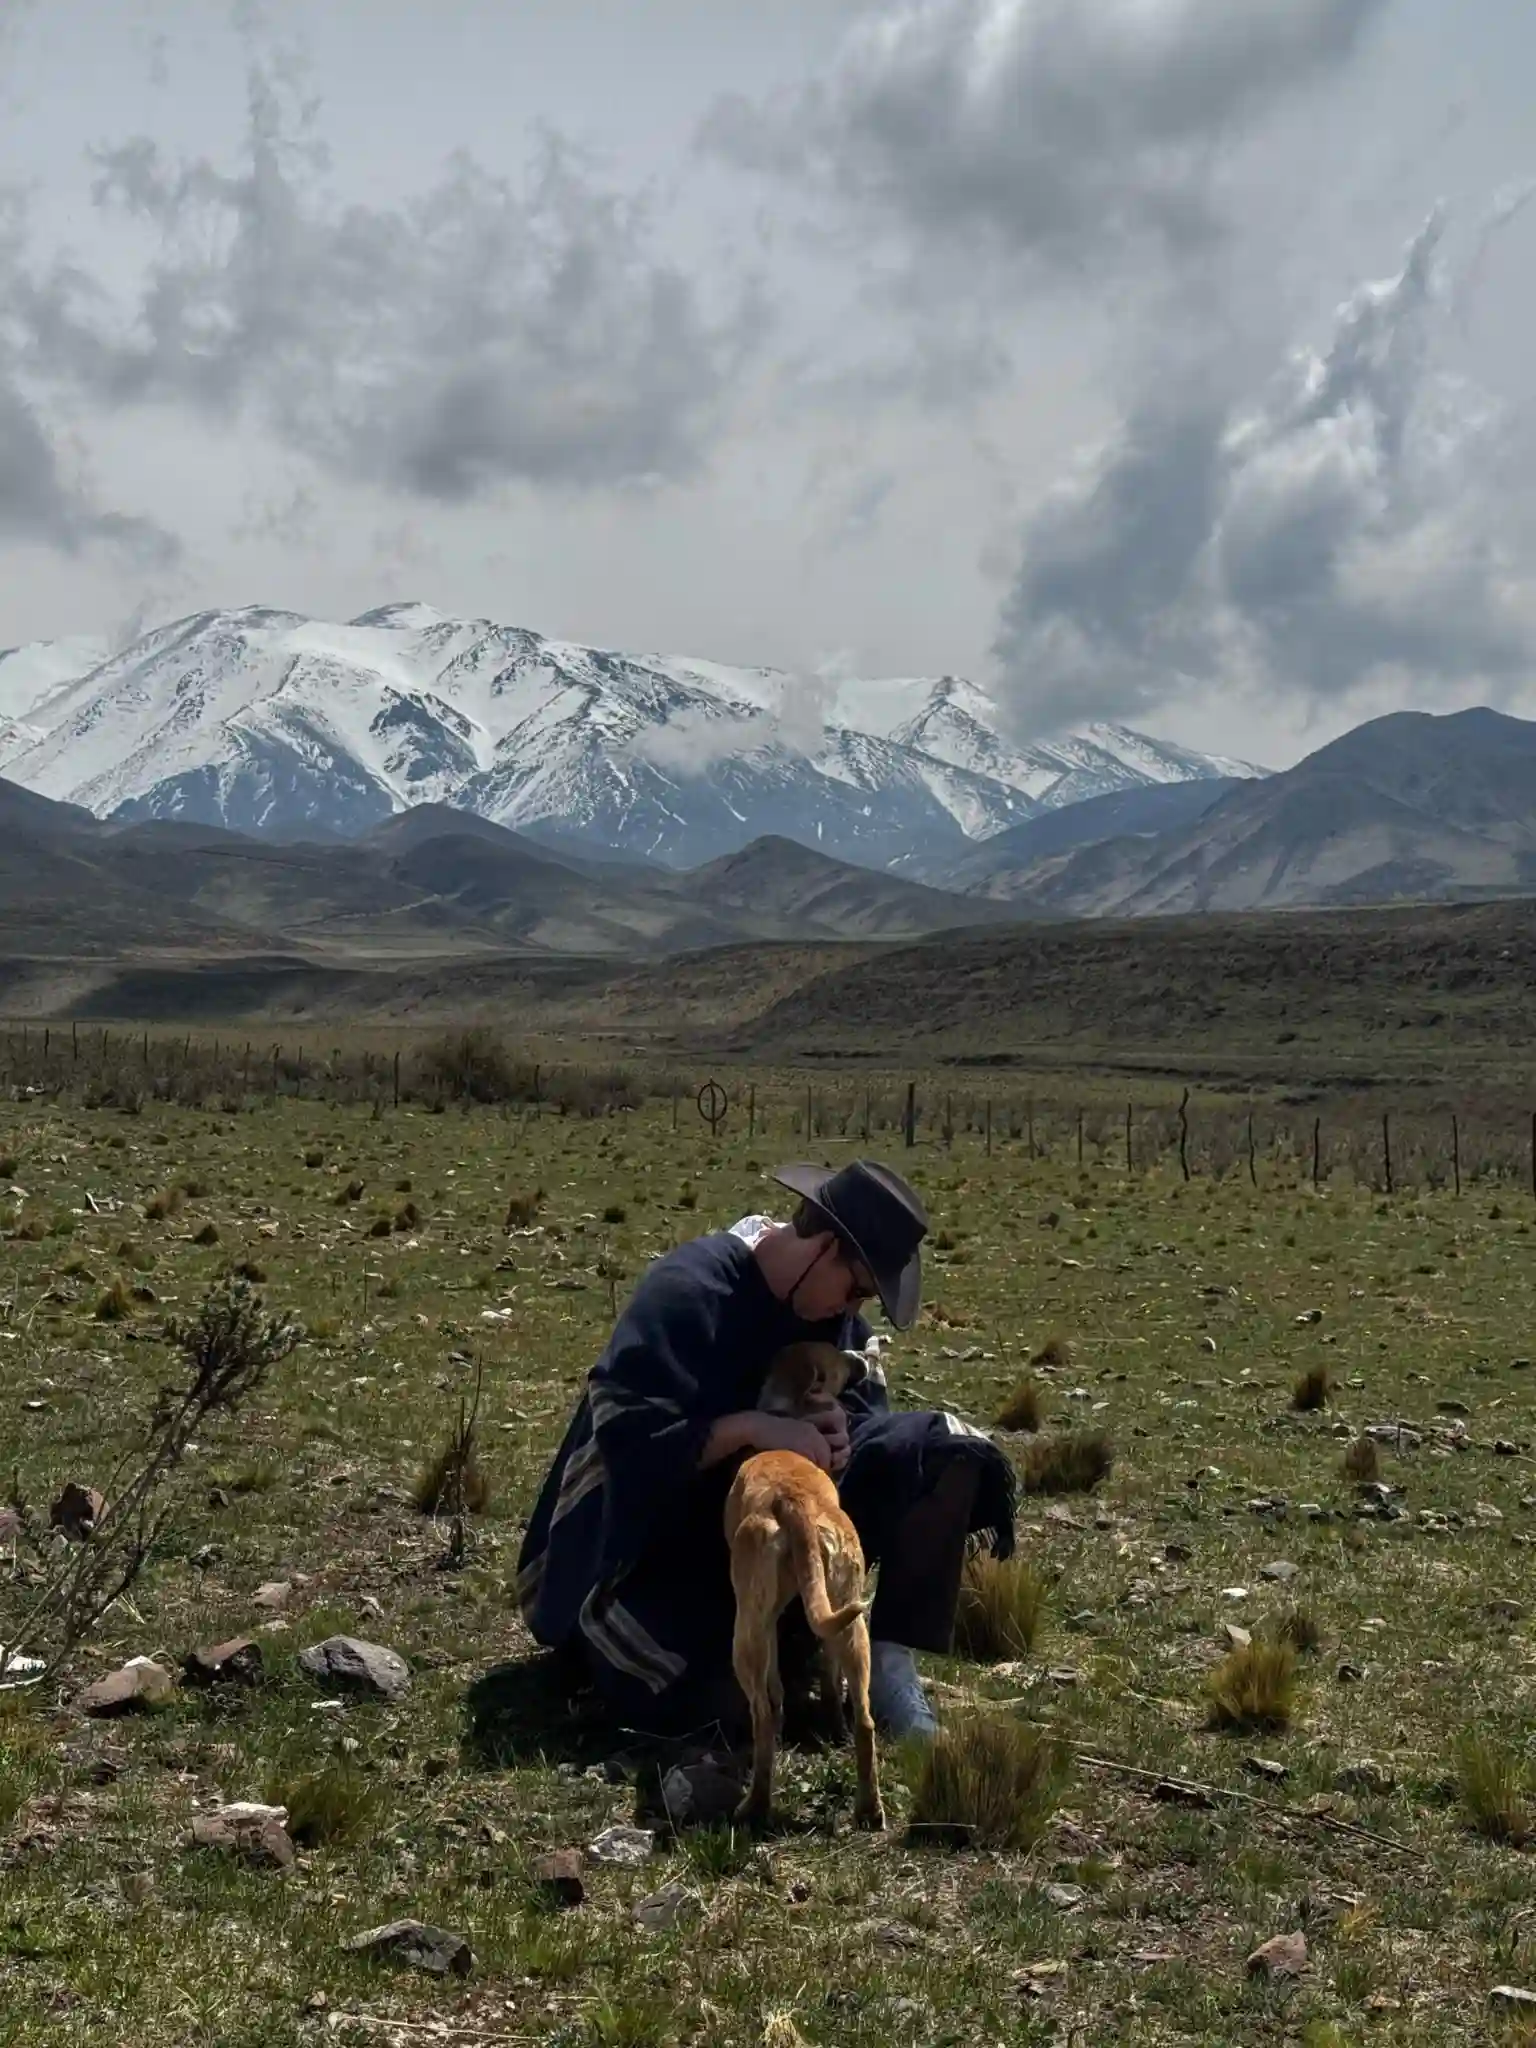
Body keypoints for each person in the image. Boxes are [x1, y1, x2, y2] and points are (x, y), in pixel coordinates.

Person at [515, 1159, 1016, 1741]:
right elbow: (631, 1447)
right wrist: (755, 1428)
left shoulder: (833, 1319)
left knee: (944, 1453)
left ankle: (886, 1665)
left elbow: (864, 1420)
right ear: (823, 1246)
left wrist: (838, 1435)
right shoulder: (690, 1290)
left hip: (779, 1528)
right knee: (728, 1709)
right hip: (653, 1546)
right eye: (855, 1287)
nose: (852, 1311)